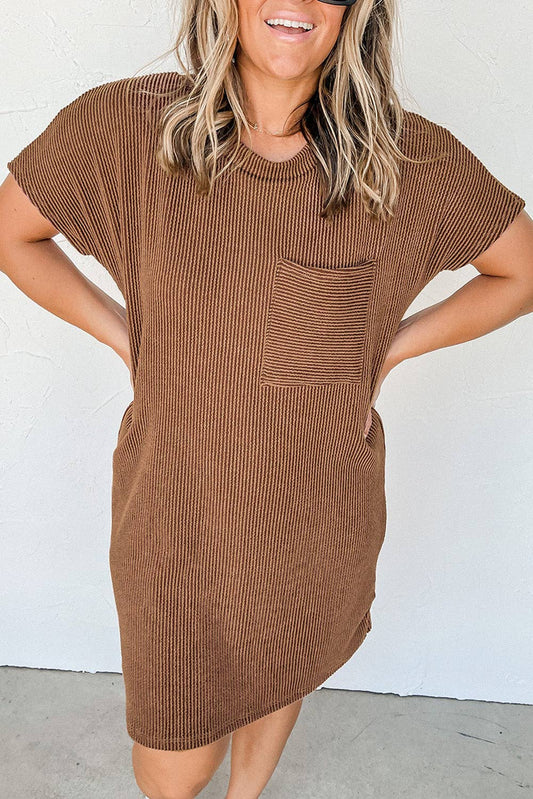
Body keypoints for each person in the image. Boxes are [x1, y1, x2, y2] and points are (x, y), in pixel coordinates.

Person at [1, 0, 532, 795]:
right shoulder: (126, 128)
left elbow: (520, 270)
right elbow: (12, 231)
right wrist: (127, 336)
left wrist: (384, 352)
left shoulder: (404, 160)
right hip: (174, 511)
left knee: (284, 660)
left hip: (313, 510)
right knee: (173, 767)